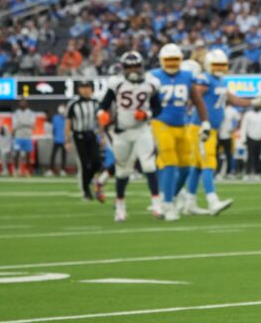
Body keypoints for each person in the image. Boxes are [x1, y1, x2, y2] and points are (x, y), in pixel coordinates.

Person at [187, 49, 259, 215]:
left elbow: (233, 99)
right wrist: (201, 118)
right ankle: (212, 201)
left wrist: (253, 101)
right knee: (208, 163)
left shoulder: (221, 81)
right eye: (216, 65)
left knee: (197, 166)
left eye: (222, 65)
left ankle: (190, 203)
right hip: (200, 128)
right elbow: (195, 96)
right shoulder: (205, 79)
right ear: (208, 65)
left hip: (210, 129)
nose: (219, 68)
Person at [149, 43, 211, 221]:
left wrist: (205, 121)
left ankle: (169, 198)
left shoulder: (186, 76)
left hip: (181, 125)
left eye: (174, 60)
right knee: (170, 162)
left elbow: (197, 100)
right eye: (168, 60)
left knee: (185, 168)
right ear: (161, 61)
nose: (171, 64)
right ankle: (167, 206)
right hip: (160, 123)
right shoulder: (153, 77)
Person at [97, 52, 162, 222]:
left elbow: (158, 108)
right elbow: (103, 104)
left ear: (141, 67)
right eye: (129, 67)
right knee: (122, 171)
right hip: (122, 132)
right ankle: (120, 208)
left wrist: (146, 114)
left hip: (142, 130)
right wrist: (101, 114)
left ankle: (157, 204)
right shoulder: (117, 83)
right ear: (123, 68)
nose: (133, 70)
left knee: (149, 166)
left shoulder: (151, 83)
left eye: (135, 66)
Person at [67, 81, 101, 199]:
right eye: (83, 87)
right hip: (79, 136)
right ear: (79, 90)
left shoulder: (96, 103)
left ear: (92, 89)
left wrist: (102, 136)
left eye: (88, 87)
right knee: (84, 164)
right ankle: (86, 191)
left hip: (91, 135)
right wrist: (67, 140)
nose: (85, 90)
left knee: (97, 162)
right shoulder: (74, 104)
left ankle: (88, 182)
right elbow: (68, 122)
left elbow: (100, 120)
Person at [241, 99, 261, 179]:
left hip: (260, 137)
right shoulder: (248, 114)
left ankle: (257, 173)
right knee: (250, 156)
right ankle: (247, 173)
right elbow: (244, 127)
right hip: (250, 137)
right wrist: (243, 138)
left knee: (258, 156)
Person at [11, 99, 36, 176]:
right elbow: (15, 125)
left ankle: (27, 171)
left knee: (28, 155)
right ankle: (16, 170)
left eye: (24, 103)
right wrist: (26, 123)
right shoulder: (16, 113)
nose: (23, 104)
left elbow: (32, 124)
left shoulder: (31, 113)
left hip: (27, 137)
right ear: (19, 104)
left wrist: (21, 123)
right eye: (21, 103)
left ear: (26, 104)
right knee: (16, 153)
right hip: (18, 137)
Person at [48, 105, 68, 176]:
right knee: (53, 155)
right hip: (57, 139)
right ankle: (50, 170)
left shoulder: (67, 119)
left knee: (63, 156)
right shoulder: (55, 118)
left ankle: (62, 170)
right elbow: (53, 129)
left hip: (64, 140)